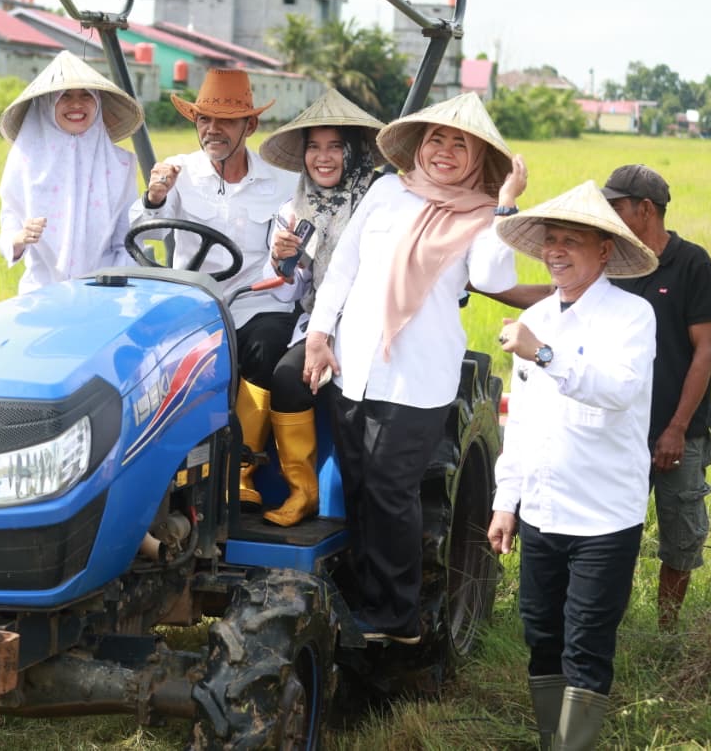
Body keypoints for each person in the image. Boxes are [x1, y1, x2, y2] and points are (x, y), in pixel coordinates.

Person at [303, 91, 526, 643]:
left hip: (417, 377)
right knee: (355, 489)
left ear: (477, 157)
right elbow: (343, 269)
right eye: (437, 140)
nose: (445, 151)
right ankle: (359, 599)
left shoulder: (478, 215)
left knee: (390, 492)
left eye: (460, 144)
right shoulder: (385, 192)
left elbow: (495, 279)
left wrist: (503, 205)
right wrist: (318, 335)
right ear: (420, 147)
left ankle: (397, 617)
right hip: (353, 365)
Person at [487, 181, 658, 751]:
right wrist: (504, 502)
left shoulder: (632, 317)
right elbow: (523, 422)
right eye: (551, 241)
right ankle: (551, 741)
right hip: (541, 509)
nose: (557, 251)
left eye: (572, 242)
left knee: (586, 643)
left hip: (604, 516)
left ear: (605, 250)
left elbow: (617, 389)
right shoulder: (536, 317)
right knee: (541, 634)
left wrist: (544, 353)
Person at [130, 68, 298, 516]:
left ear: (250, 126)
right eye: (204, 120)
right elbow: (141, 228)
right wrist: (154, 196)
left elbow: (290, 252)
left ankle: (239, 472)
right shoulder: (177, 172)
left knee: (265, 345)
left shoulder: (282, 183)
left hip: (258, 300)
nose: (212, 130)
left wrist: (285, 255)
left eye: (225, 121)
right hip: (195, 303)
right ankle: (158, 477)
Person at [250, 89, 384, 526]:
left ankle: (325, 497)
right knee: (269, 361)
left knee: (305, 381)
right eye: (313, 147)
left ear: (354, 151)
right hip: (319, 321)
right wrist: (283, 261)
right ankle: (270, 480)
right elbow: (290, 294)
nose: (322, 158)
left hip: (373, 323)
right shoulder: (295, 208)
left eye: (334, 147)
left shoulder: (379, 200)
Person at [601, 164, 711, 631]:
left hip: (678, 432)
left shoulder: (692, 263)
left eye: (616, 206)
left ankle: (666, 630)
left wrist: (676, 427)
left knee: (680, 534)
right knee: (613, 532)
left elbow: (703, 351)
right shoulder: (612, 262)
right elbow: (556, 294)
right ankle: (611, 622)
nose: (608, 213)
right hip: (622, 428)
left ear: (644, 209)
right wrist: (483, 284)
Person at [0, 50, 145, 294]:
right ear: (47, 104)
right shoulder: (25, 161)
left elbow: (127, 239)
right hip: (41, 293)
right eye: (65, 96)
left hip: (103, 293)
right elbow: (9, 223)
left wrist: (115, 291)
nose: (77, 104)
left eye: (87, 95)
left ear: (97, 102)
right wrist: (19, 239)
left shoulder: (121, 164)